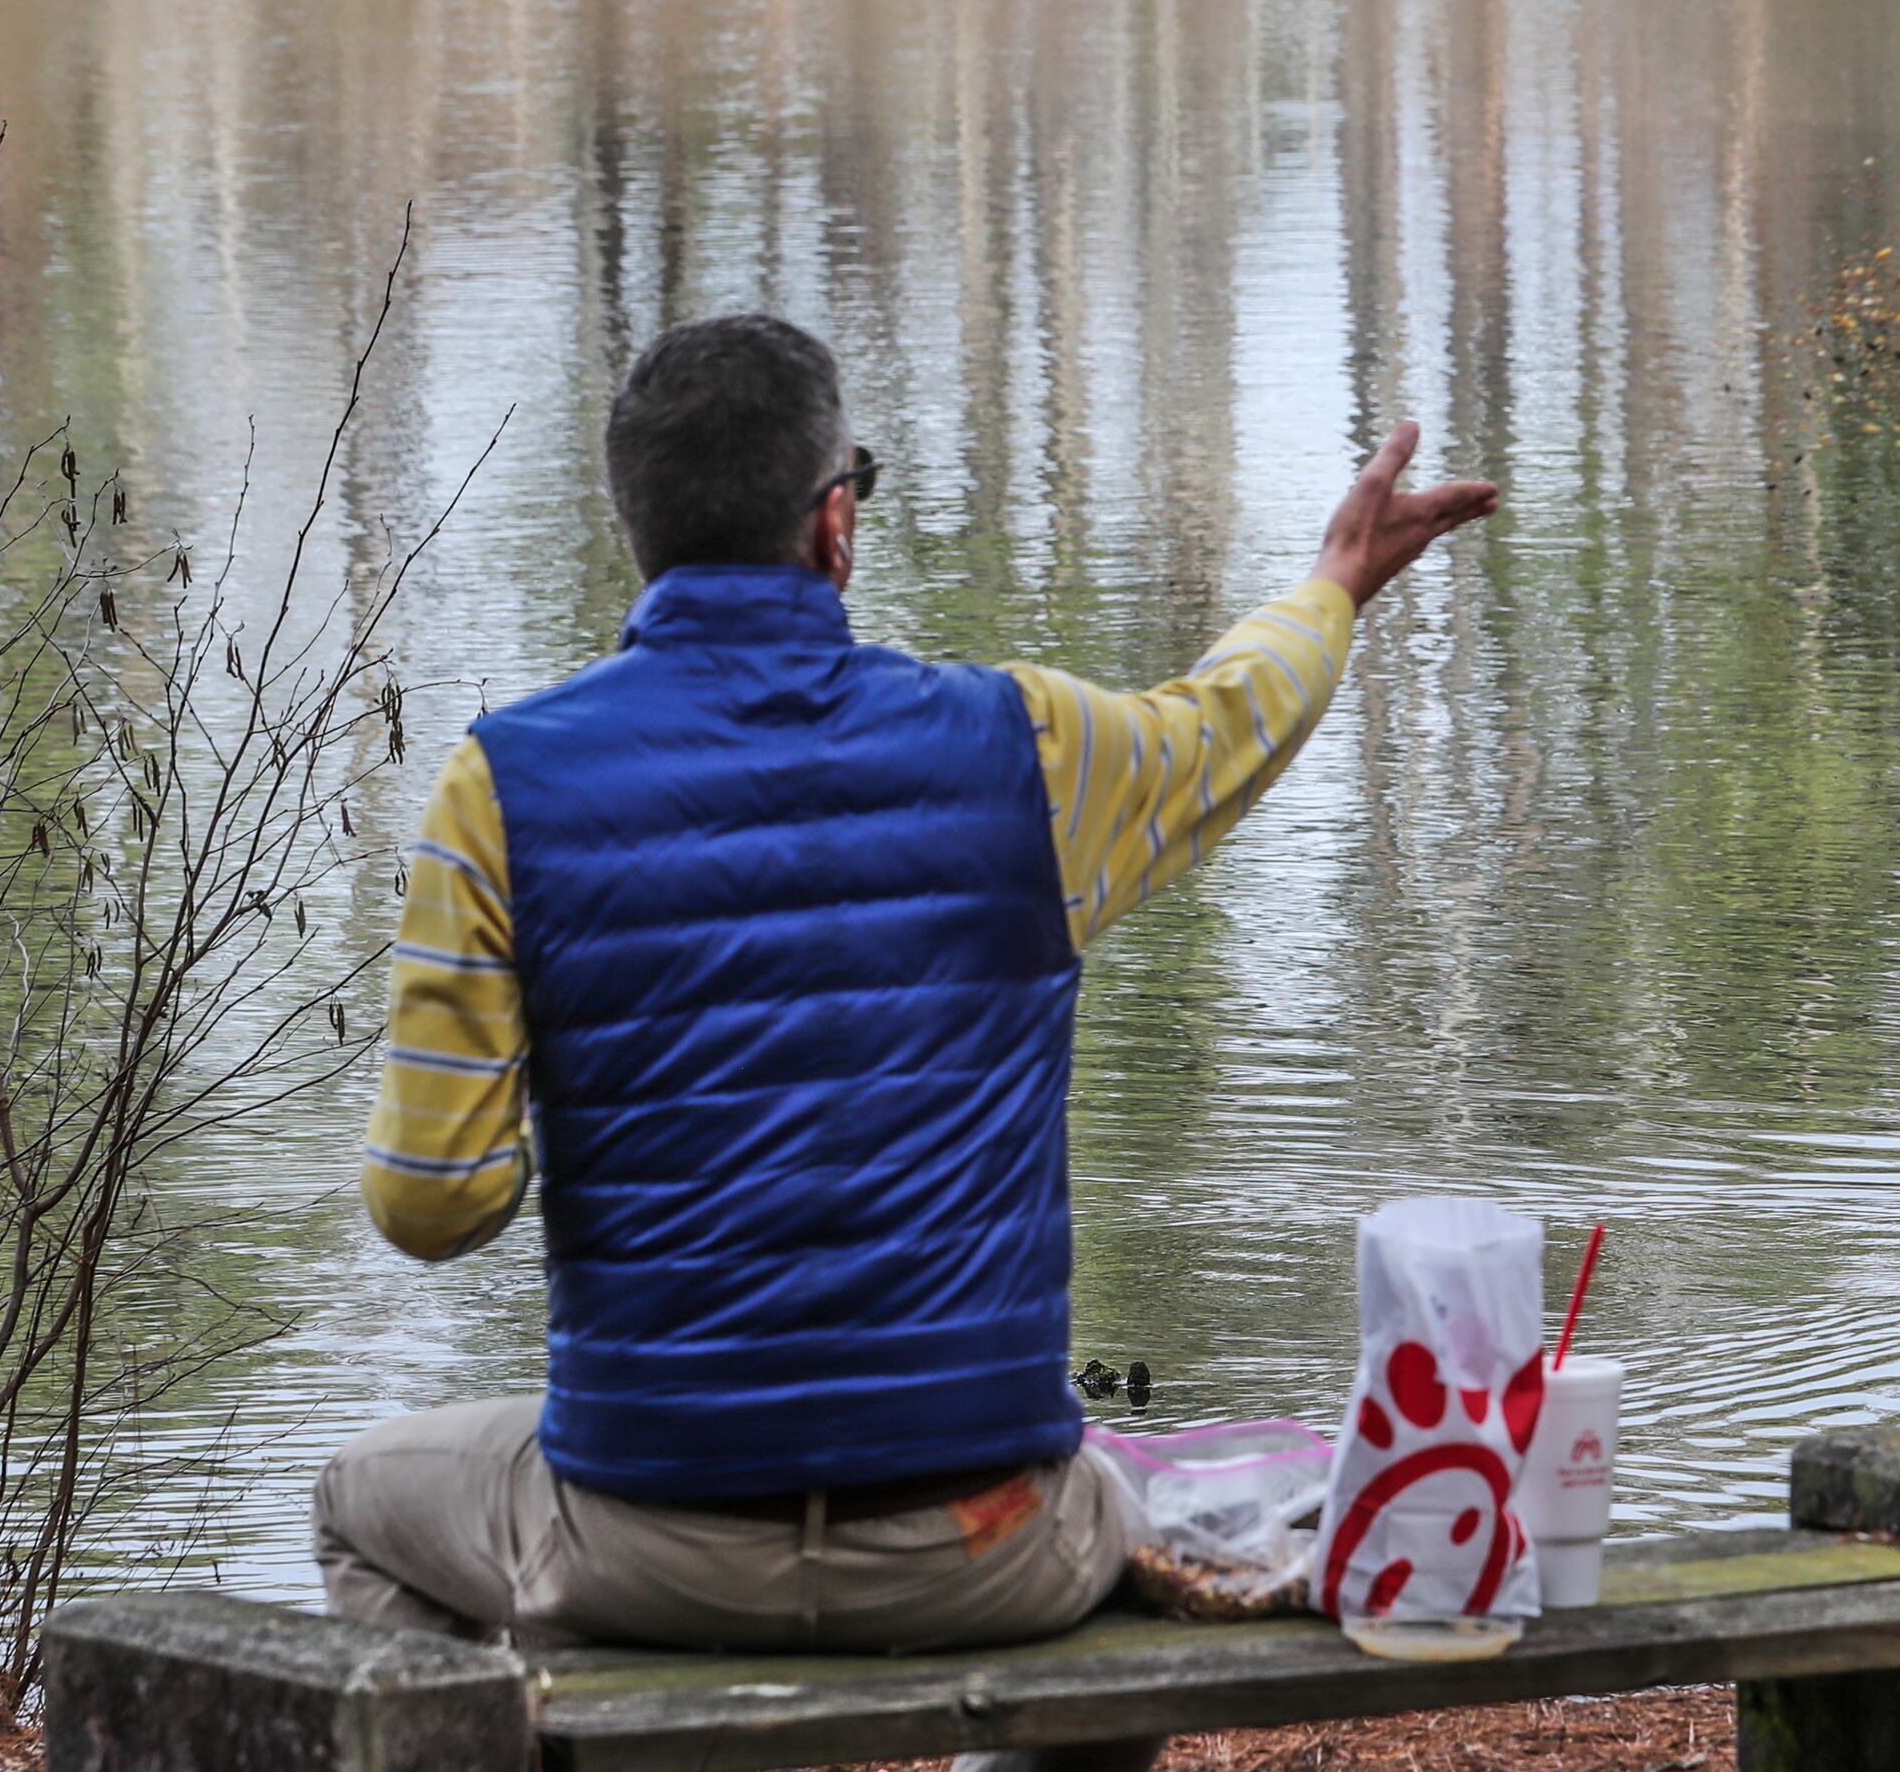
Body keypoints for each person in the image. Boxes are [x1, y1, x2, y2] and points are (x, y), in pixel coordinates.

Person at [315, 313, 1497, 1769]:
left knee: (359, 1498)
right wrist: (1334, 583)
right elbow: (1223, 723)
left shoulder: (499, 791)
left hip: (645, 1541)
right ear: (836, 522)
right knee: (1104, 1557)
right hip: (992, 1541)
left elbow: (436, 1207)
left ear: (637, 533)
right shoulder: (1028, 754)